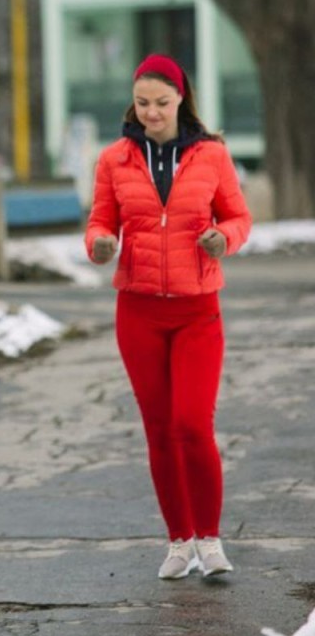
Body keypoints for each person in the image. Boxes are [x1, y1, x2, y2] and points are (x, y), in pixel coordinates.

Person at [85, 53, 252, 580]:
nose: (152, 112)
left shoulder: (211, 155)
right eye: (142, 103)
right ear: (132, 104)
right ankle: (179, 542)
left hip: (197, 309)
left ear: (181, 98)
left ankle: (210, 539)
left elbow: (238, 216)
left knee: (190, 423)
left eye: (161, 102)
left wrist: (224, 238)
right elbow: (98, 222)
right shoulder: (114, 159)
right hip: (137, 311)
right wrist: (99, 245)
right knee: (158, 428)